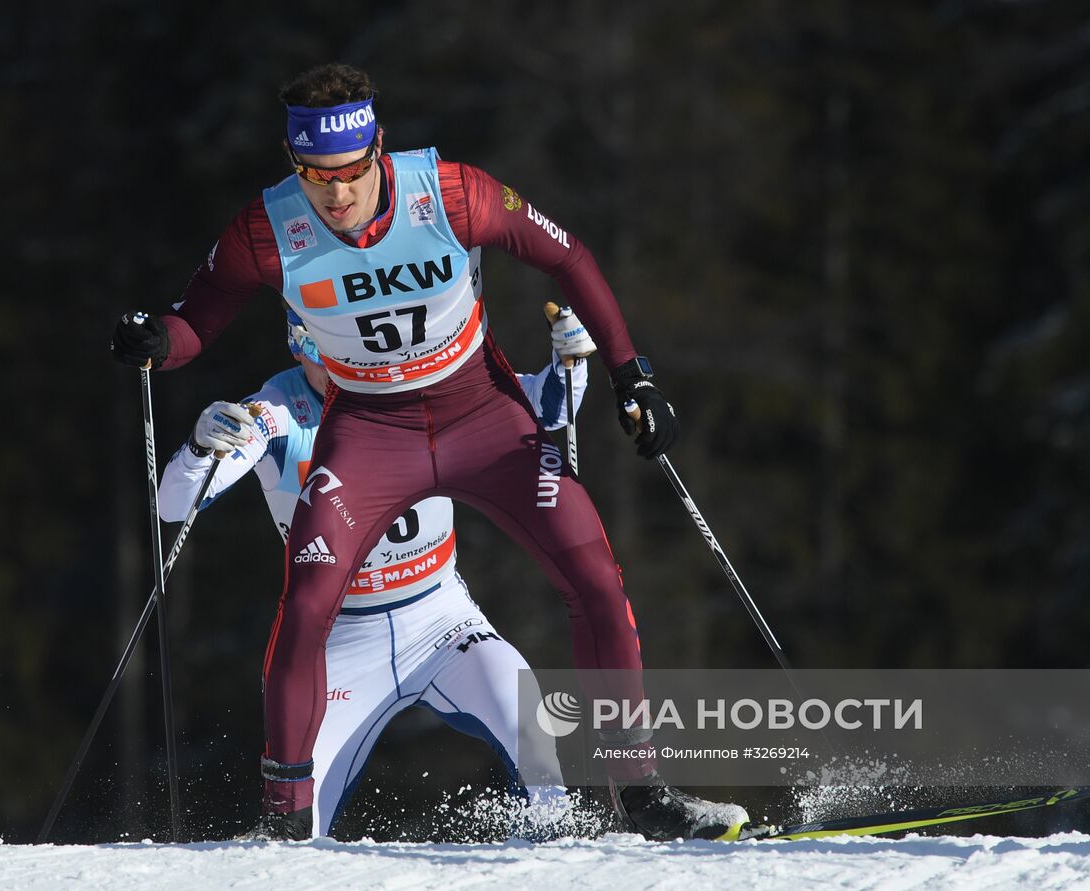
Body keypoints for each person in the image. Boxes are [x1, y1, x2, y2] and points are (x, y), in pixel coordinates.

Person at [111, 62, 750, 842]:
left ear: (378, 149)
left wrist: (632, 377)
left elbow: (568, 257)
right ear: (293, 163)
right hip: (372, 431)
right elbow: (193, 324)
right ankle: (283, 820)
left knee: (594, 577)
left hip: (482, 413)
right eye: (315, 176)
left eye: (350, 173)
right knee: (307, 603)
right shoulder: (266, 228)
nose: (335, 195)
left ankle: (644, 795)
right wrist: (155, 341)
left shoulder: (450, 193)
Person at [157, 309, 589, 838]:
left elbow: (544, 405)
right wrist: (201, 447)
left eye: (352, 353)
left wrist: (570, 360)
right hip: (341, 640)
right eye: (326, 356)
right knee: (294, 828)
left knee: (532, 726)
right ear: (299, 347)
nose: (343, 372)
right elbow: (174, 506)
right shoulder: (277, 412)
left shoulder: (420, 379)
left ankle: (561, 857)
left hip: (440, 619)